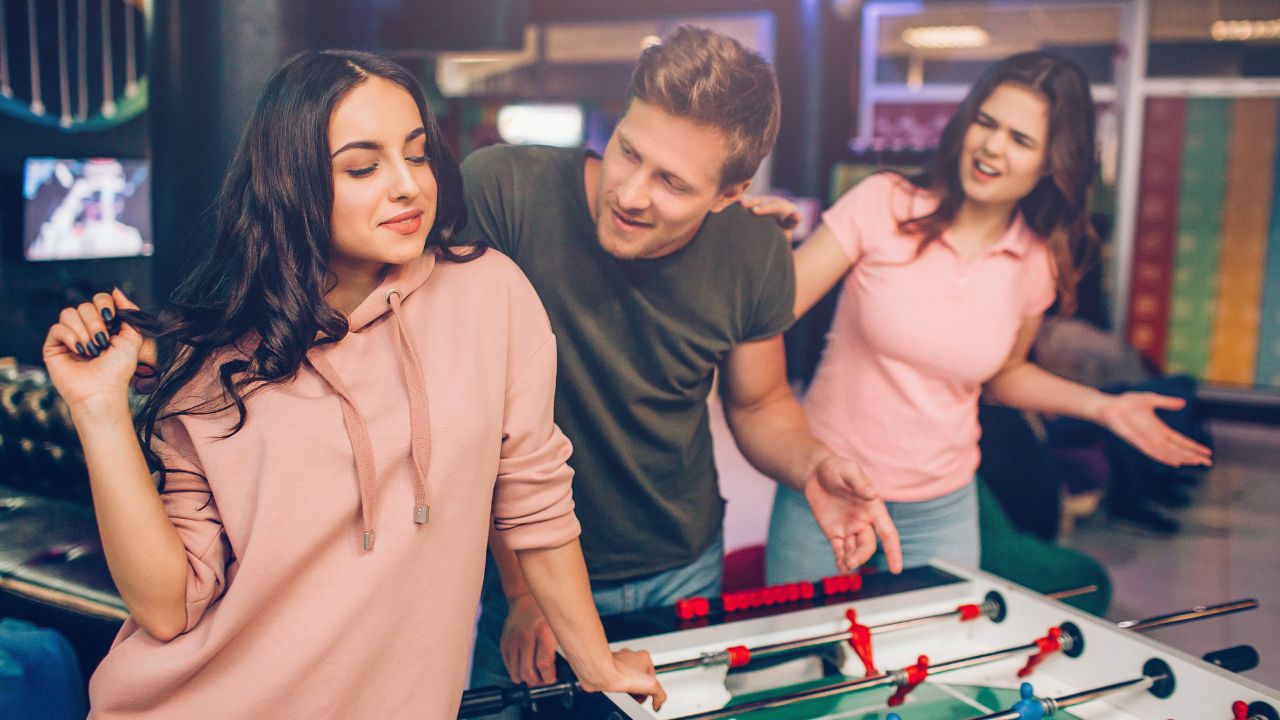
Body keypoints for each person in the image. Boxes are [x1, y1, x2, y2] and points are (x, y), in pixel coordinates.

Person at [42, 50, 663, 718]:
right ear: (293, 184)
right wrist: (97, 407)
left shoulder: (491, 294)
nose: (407, 187)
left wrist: (595, 661)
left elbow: (536, 502)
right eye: (364, 167)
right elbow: (167, 607)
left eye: (417, 155)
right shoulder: (212, 357)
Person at [460, 26, 902, 702]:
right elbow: (471, 413)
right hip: (526, 568)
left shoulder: (753, 251)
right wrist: (522, 588)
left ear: (729, 194)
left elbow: (759, 405)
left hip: (681, 564)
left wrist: (812, 464)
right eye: (628, 152)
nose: (632, 194)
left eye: (671, 181)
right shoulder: (504, 193)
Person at [763, 52, 1212, 582]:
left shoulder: (1036, 260)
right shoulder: (883, 204)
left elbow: (1004, 374)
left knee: (930, 664)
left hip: (940, 510)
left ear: (1050, 162)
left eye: (1020, 140)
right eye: (986, 122)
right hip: (824, 488)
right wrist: (756, 248)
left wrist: (1103, 409)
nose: (992, 147)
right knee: (799, 662)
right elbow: (772, 306)